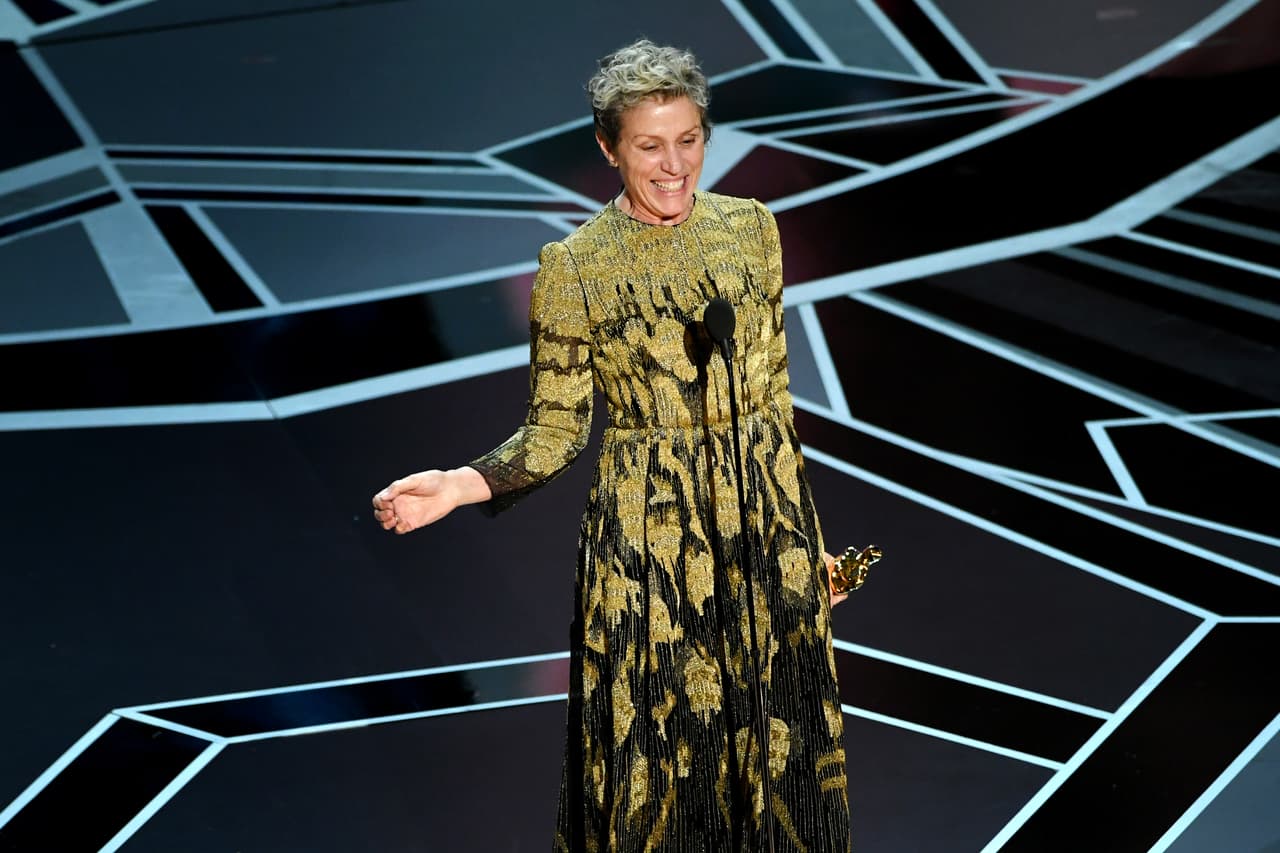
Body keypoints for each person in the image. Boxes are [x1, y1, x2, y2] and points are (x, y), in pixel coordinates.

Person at [372, 39, 852, 852]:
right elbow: (557, 427)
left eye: (689, 139)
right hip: (650, 554)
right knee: (660, 775)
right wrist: (461, 482)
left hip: (763, 538)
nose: (674, 165)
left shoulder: (751, 231)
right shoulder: (576, 267)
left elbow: (772, 402)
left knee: (782, 774)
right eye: (649, 145)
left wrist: (803, 548)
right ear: (609, 148)